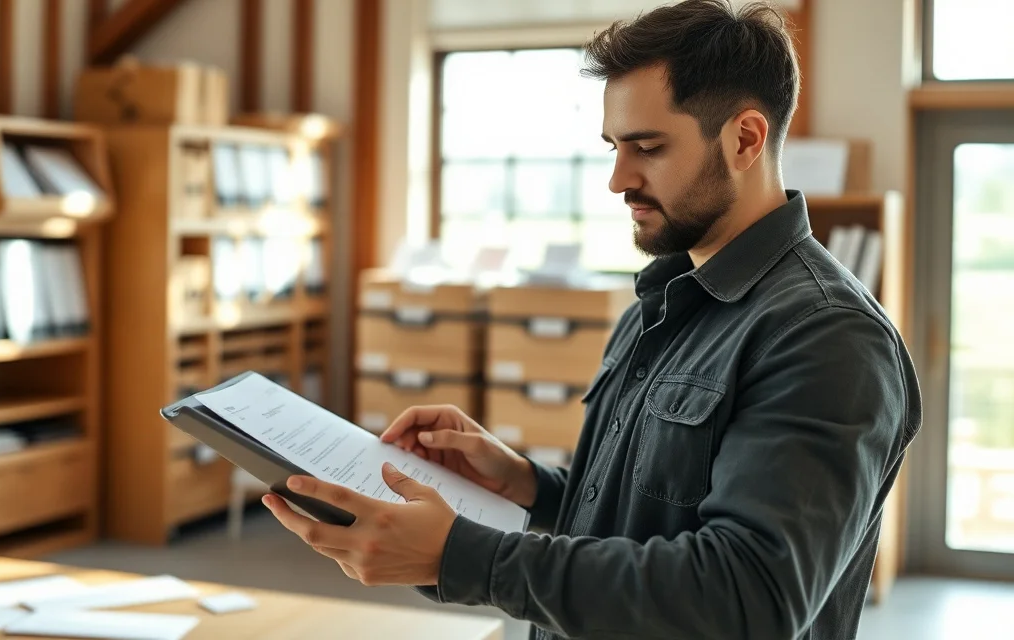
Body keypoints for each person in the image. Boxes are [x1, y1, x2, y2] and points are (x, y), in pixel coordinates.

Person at [262, 1, 922, 638]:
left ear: (745, 139)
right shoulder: (660, 303)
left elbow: (748, 596)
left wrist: (465, 557)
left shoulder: (827, 337)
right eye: (613, 146)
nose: (617, 179)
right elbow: (645, 522)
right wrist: (524, 485)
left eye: (647, 147)